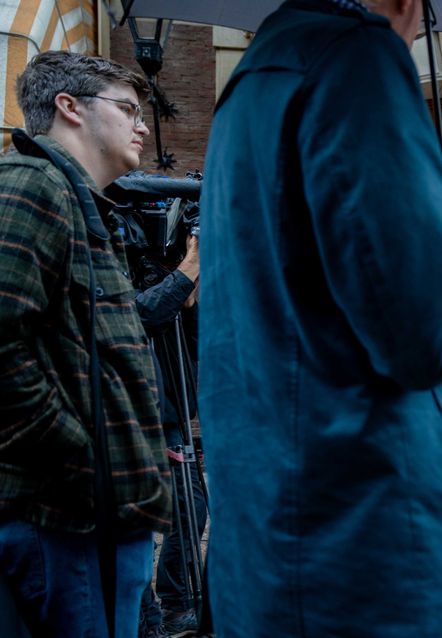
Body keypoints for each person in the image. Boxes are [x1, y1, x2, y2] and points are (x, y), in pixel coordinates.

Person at [198, 0, 442, 636]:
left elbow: (338, 283)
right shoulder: (356, 56)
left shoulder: (254, 79)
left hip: (277, 541)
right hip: (364, 546)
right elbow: (418, 334)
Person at [0, 50, 170, 637]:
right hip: (63, 522)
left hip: (95, 518)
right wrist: (79, 454)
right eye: (127, 109)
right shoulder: (30, 185)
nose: (142, 125)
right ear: (69, 108)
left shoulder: (78, 200)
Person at [124, 233, 206, 637]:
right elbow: (137, 317)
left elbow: (194, 343)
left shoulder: (168, 263)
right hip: (130, 417)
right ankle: (147, 620)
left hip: (170, 415)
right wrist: (187, 269)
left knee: (191, 510)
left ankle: (176, 608)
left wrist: (191, 292)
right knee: (138, 524)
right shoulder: (114, 249)